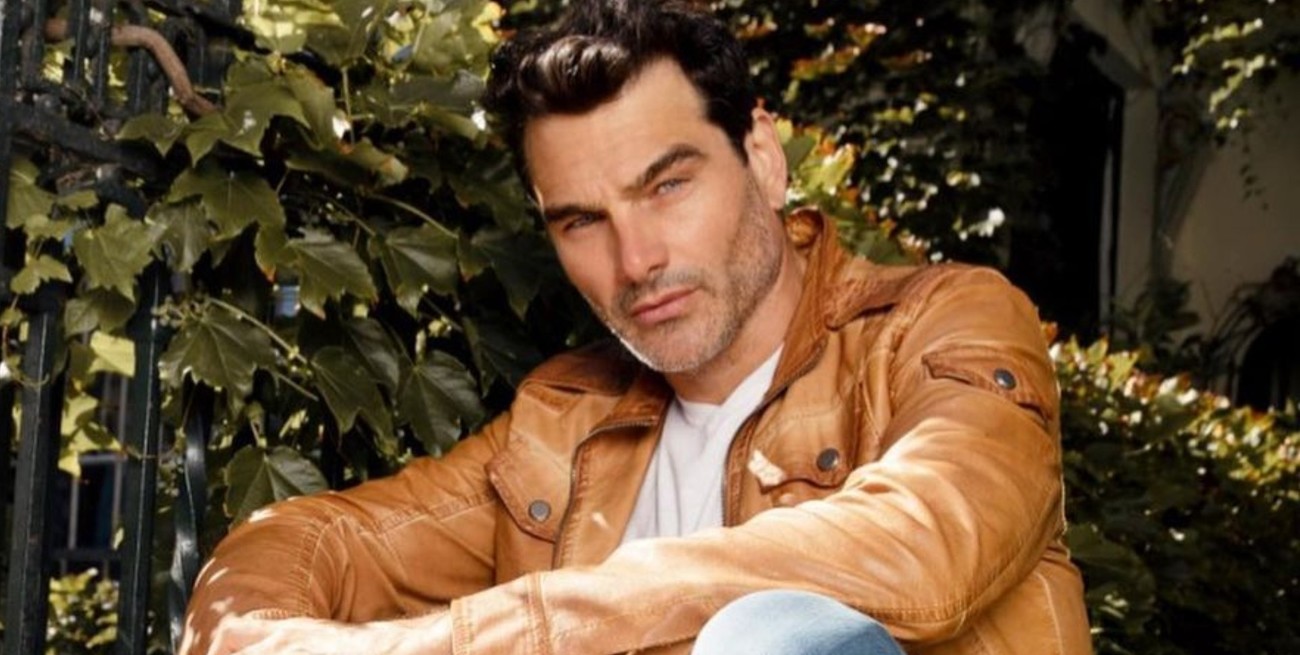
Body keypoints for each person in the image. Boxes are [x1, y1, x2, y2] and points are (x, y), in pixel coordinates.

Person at [180, 1, 1092, 653]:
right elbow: (308, 541)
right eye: (582, 220)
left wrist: (521, 628)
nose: (636, 258)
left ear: (763, 159)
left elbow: (928, 540)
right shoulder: (564, 421)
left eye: (668, 185)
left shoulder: (939, 325)